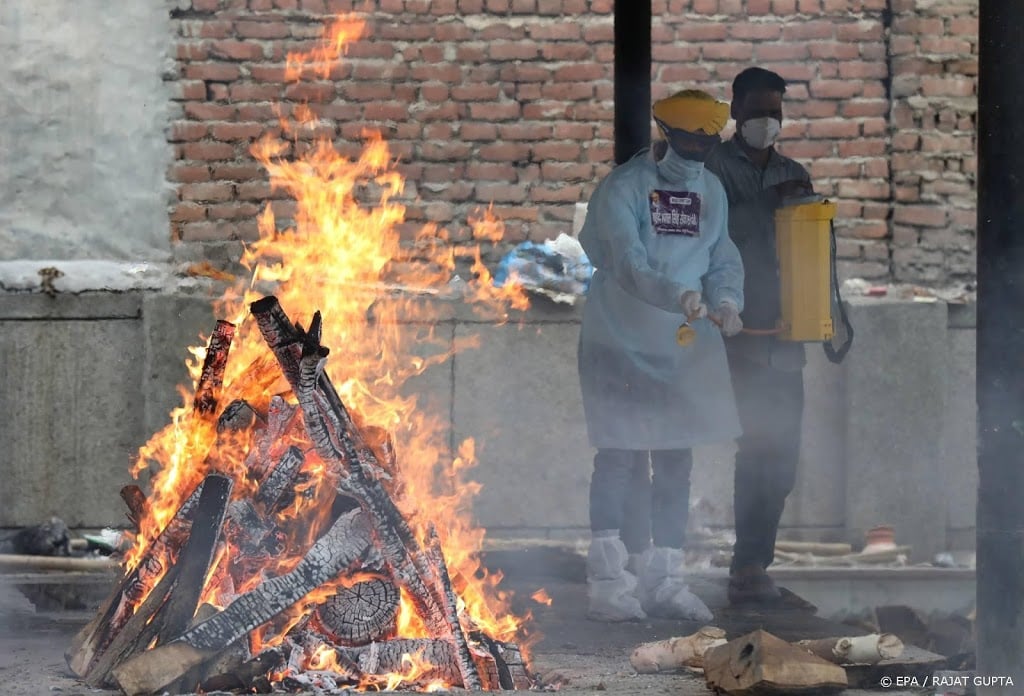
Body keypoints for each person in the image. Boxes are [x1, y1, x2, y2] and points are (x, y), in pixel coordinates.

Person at [577, 89, 745, 622]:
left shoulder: (712, 191)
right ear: (666, 135)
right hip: (620, 340)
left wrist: (726, 299)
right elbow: (628, 263)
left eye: (708, 144)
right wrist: (678, 295)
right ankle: (609, 584)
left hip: (683, 348)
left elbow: (722, 256)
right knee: (620, 457)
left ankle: (666, 582)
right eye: (691, 141)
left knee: (675, 459)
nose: (698, 153)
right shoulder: (623, 189)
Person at [703, 67, 815, 604]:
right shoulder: (710, 171)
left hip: (785, 332)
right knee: (755, 446)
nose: (766, 122)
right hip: (732, 330)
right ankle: (745, 570)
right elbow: (711, 236)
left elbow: (809, 253)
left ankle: (754, 565)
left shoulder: (795, 173)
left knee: (782, 453)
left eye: (775, 113)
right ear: (734, 110)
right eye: (757, 112)